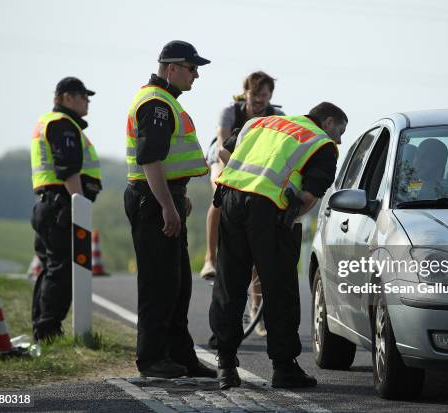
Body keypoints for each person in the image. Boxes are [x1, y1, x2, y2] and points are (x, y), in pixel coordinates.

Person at [209, 102, 347, 389]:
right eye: (340, 132)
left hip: (231, 200)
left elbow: (224, 153)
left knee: (229, 283)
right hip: (270, 210)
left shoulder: (261, 123)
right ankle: (284, 369)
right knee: (279, 288)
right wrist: (285, 217)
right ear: (328, 122)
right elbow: (309, 197)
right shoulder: (321, 144)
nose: (340, 140)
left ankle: (225, 365)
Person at [123, 40, 216, 379]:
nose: (196, 76)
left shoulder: (164, 101)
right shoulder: (156, 104)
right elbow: (149, 160)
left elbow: (166, 161)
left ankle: (180, 356)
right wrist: (167, 205)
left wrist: (178, 195)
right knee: (159, 284)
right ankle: (152, 360)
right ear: (172, 67)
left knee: (177, 285)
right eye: (193, 69)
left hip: (164, 196)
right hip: (153, 200)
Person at [203, 71, 284, 340]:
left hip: (256, 168)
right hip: (225, 157)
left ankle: (256, 308)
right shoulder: (230, 112)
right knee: (221, 192)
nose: (259, 100)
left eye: (265, 95)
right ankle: (209, 258)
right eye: (254, 94)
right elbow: (225, 148)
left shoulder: (276, 116)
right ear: (245, 93)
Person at [30, 77, 102, 341]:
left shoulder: (51, 123)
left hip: (49, 204)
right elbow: (68, 169)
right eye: (83, 96)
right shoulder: (62, 125)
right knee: (62, 271)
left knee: (51, 268)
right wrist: (80, 205)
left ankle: (43, 328)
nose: (88, 102)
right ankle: (48, 330)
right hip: (62, 204)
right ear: (66, 97)